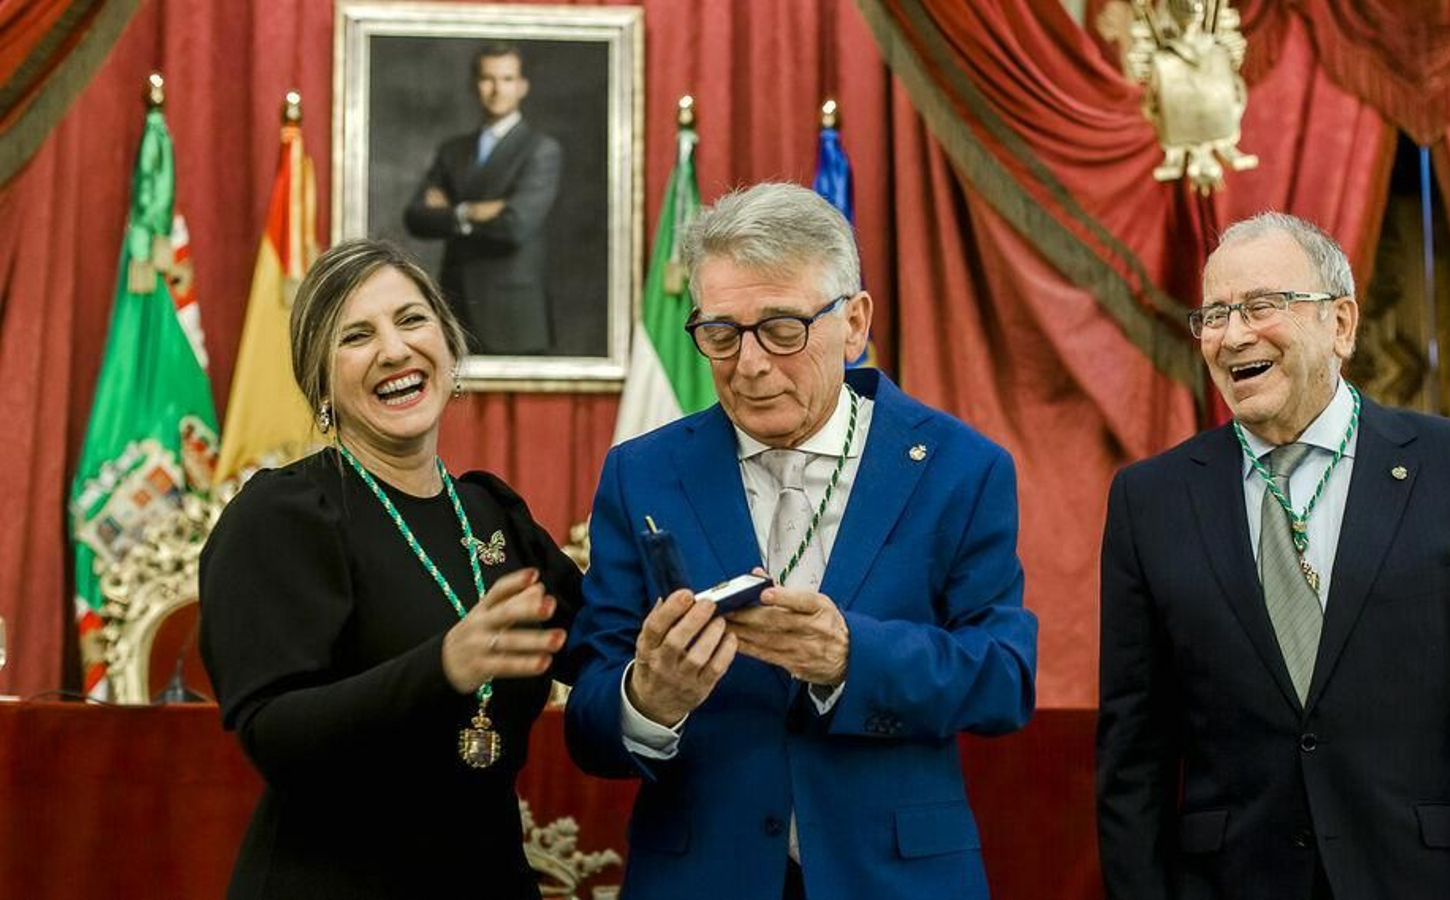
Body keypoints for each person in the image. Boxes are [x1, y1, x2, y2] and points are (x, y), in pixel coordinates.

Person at [563, 183, 1038, 899]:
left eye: (782, 329)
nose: (749, 364)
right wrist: (648, 699)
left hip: (894, 878)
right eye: (721, 334)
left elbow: (1004, 678)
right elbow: (589, 725)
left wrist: (853, 657)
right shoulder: (644, 473)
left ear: (854, 323)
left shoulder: (958, 468)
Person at [1095, 211, 1450, 899]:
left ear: (1342, 324)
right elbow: (1133, 758)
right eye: (1213, 314)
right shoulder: (1150, 501)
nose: (1233, 334)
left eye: (1261, 306)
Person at [199, 239, 582, 899]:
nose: (395, 350)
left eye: (412, 319)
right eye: (357, 335)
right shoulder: (285, 515)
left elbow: (604, 648)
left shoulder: (492, 515)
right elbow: (275, 734)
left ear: (448, 343)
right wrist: (443, 668)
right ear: (320, 381)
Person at [403, 42, 562, 356]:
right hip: (455, 304)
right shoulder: (453, 150)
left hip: (512, 314)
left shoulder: (541, 150)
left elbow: (515, 226)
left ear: (522, 86)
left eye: (506, 79)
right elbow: (416, 217)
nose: (496, 89)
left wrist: (449, 215)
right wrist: (470, 212)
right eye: (488, 78)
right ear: (475, 85)